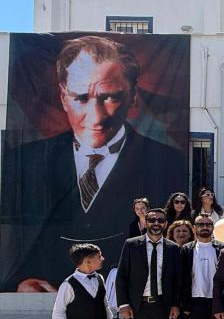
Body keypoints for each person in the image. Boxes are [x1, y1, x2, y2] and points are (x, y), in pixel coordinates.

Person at [0, 35, 186, 293]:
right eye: (81, 97)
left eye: (110, 97)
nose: (96, 117)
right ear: (63, 96)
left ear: (133, 95)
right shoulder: (26, 161)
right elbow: (14, 237)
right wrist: (21, 283)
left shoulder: (169, 163)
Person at [165, 219, 194, 319]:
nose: (181, 233)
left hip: (189, 298)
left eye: (184, 231)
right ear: (172, 233)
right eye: (178, 231)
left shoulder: (194, 250)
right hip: (171, 300)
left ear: (190, 234)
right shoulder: (167, 251)